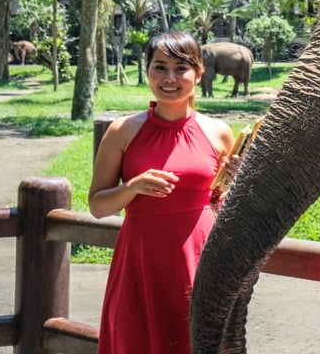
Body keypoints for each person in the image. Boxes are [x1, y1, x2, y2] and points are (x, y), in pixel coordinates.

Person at [89, 31, 235, 354]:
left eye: (181, 68)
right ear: (147, 71)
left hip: (199, 262)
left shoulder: (218, 132)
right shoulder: (122, 131)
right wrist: (132, 187)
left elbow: (220, 204)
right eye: (159, 67)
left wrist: (233, 182)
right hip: (140, 263)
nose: (170, 78)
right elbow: (97, 206)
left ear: (199, 73)